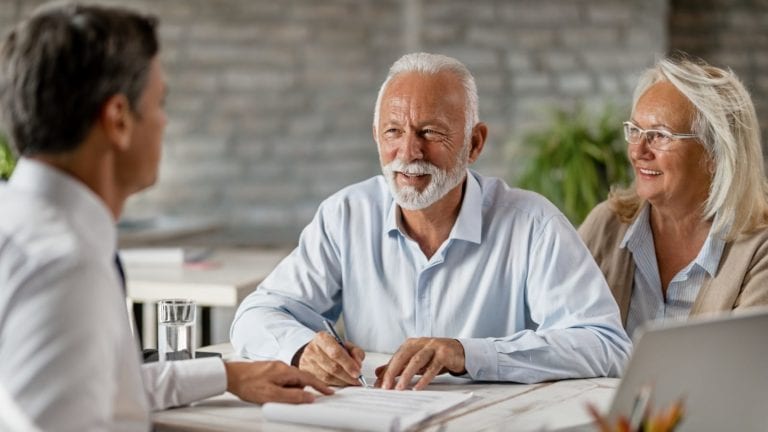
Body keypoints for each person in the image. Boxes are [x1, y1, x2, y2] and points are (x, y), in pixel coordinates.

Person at [0, 3, 331, 431]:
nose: (165, 121)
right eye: (160, 103)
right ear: (118, 120)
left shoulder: (19, 222)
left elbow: (92, 387)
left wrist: (225, 375)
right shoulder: (64, 267)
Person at [231, 52, 631, 390]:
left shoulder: (533, 224)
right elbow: (255, 317)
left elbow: (605, 344)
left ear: (474, 143)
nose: (409, 151)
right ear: (375, 136)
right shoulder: (346, 215)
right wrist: (303, 349)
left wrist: (468, 353)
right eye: (393, 131)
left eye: (430, 132)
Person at [579, 56, 768, 338]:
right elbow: (561, 333)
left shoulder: (759, 249)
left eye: (659, 135)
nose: (638, 150)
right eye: (635, 131)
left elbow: (744, 368)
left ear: (715, 153)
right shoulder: (607, 225)